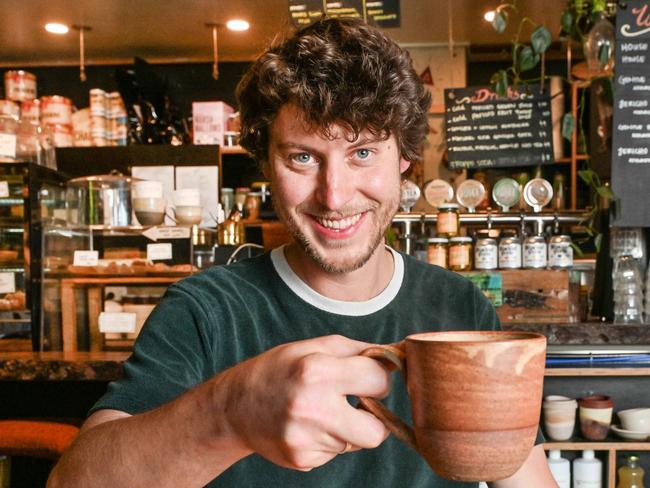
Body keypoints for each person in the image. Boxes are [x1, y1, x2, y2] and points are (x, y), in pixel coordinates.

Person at [48, 17, 556, 488]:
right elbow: (73, 480)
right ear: (267, 163)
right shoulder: (204, 310)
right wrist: (230, 413)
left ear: (404, 158)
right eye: (303, 157)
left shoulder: (460, 307)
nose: (334, 196)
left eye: (362, 153)